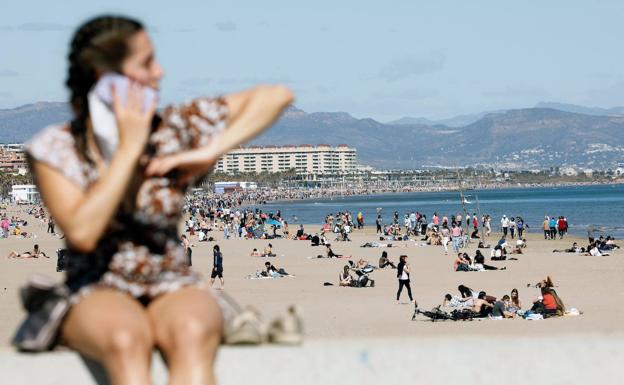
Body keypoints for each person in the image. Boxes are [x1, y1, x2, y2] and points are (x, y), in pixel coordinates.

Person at [13, 15, 294, 385]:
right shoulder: (56, 148)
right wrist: (129, 150)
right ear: (104, 74)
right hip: (95, 285)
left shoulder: (172, 128)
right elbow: (82, 232)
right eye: (146, 63)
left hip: (171, 279)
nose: (160, 72)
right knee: (126, 341)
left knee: (192, 334)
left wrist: (210, 149)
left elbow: (275, 97)